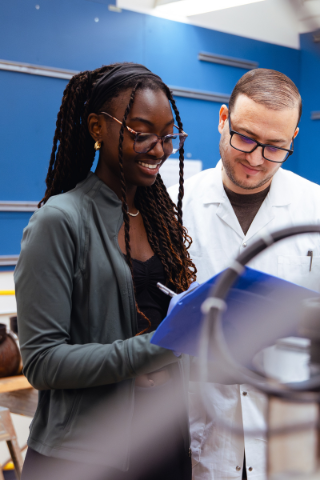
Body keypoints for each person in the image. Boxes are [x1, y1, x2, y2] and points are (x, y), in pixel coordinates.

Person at [167, 68, 320, 479]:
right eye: (244, 137)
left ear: (293, 137)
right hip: (201, 430)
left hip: (294, 432)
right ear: (223, 119)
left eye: (275, 147)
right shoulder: (172, 207)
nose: (256, 158)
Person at [15, 63, 197, 480]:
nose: (160, 149)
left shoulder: (159, 221)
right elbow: (42, 362)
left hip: (164, 445)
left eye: (169, 135)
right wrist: (161, 346)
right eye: (141, 132)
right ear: (97, 127)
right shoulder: (59, 221)